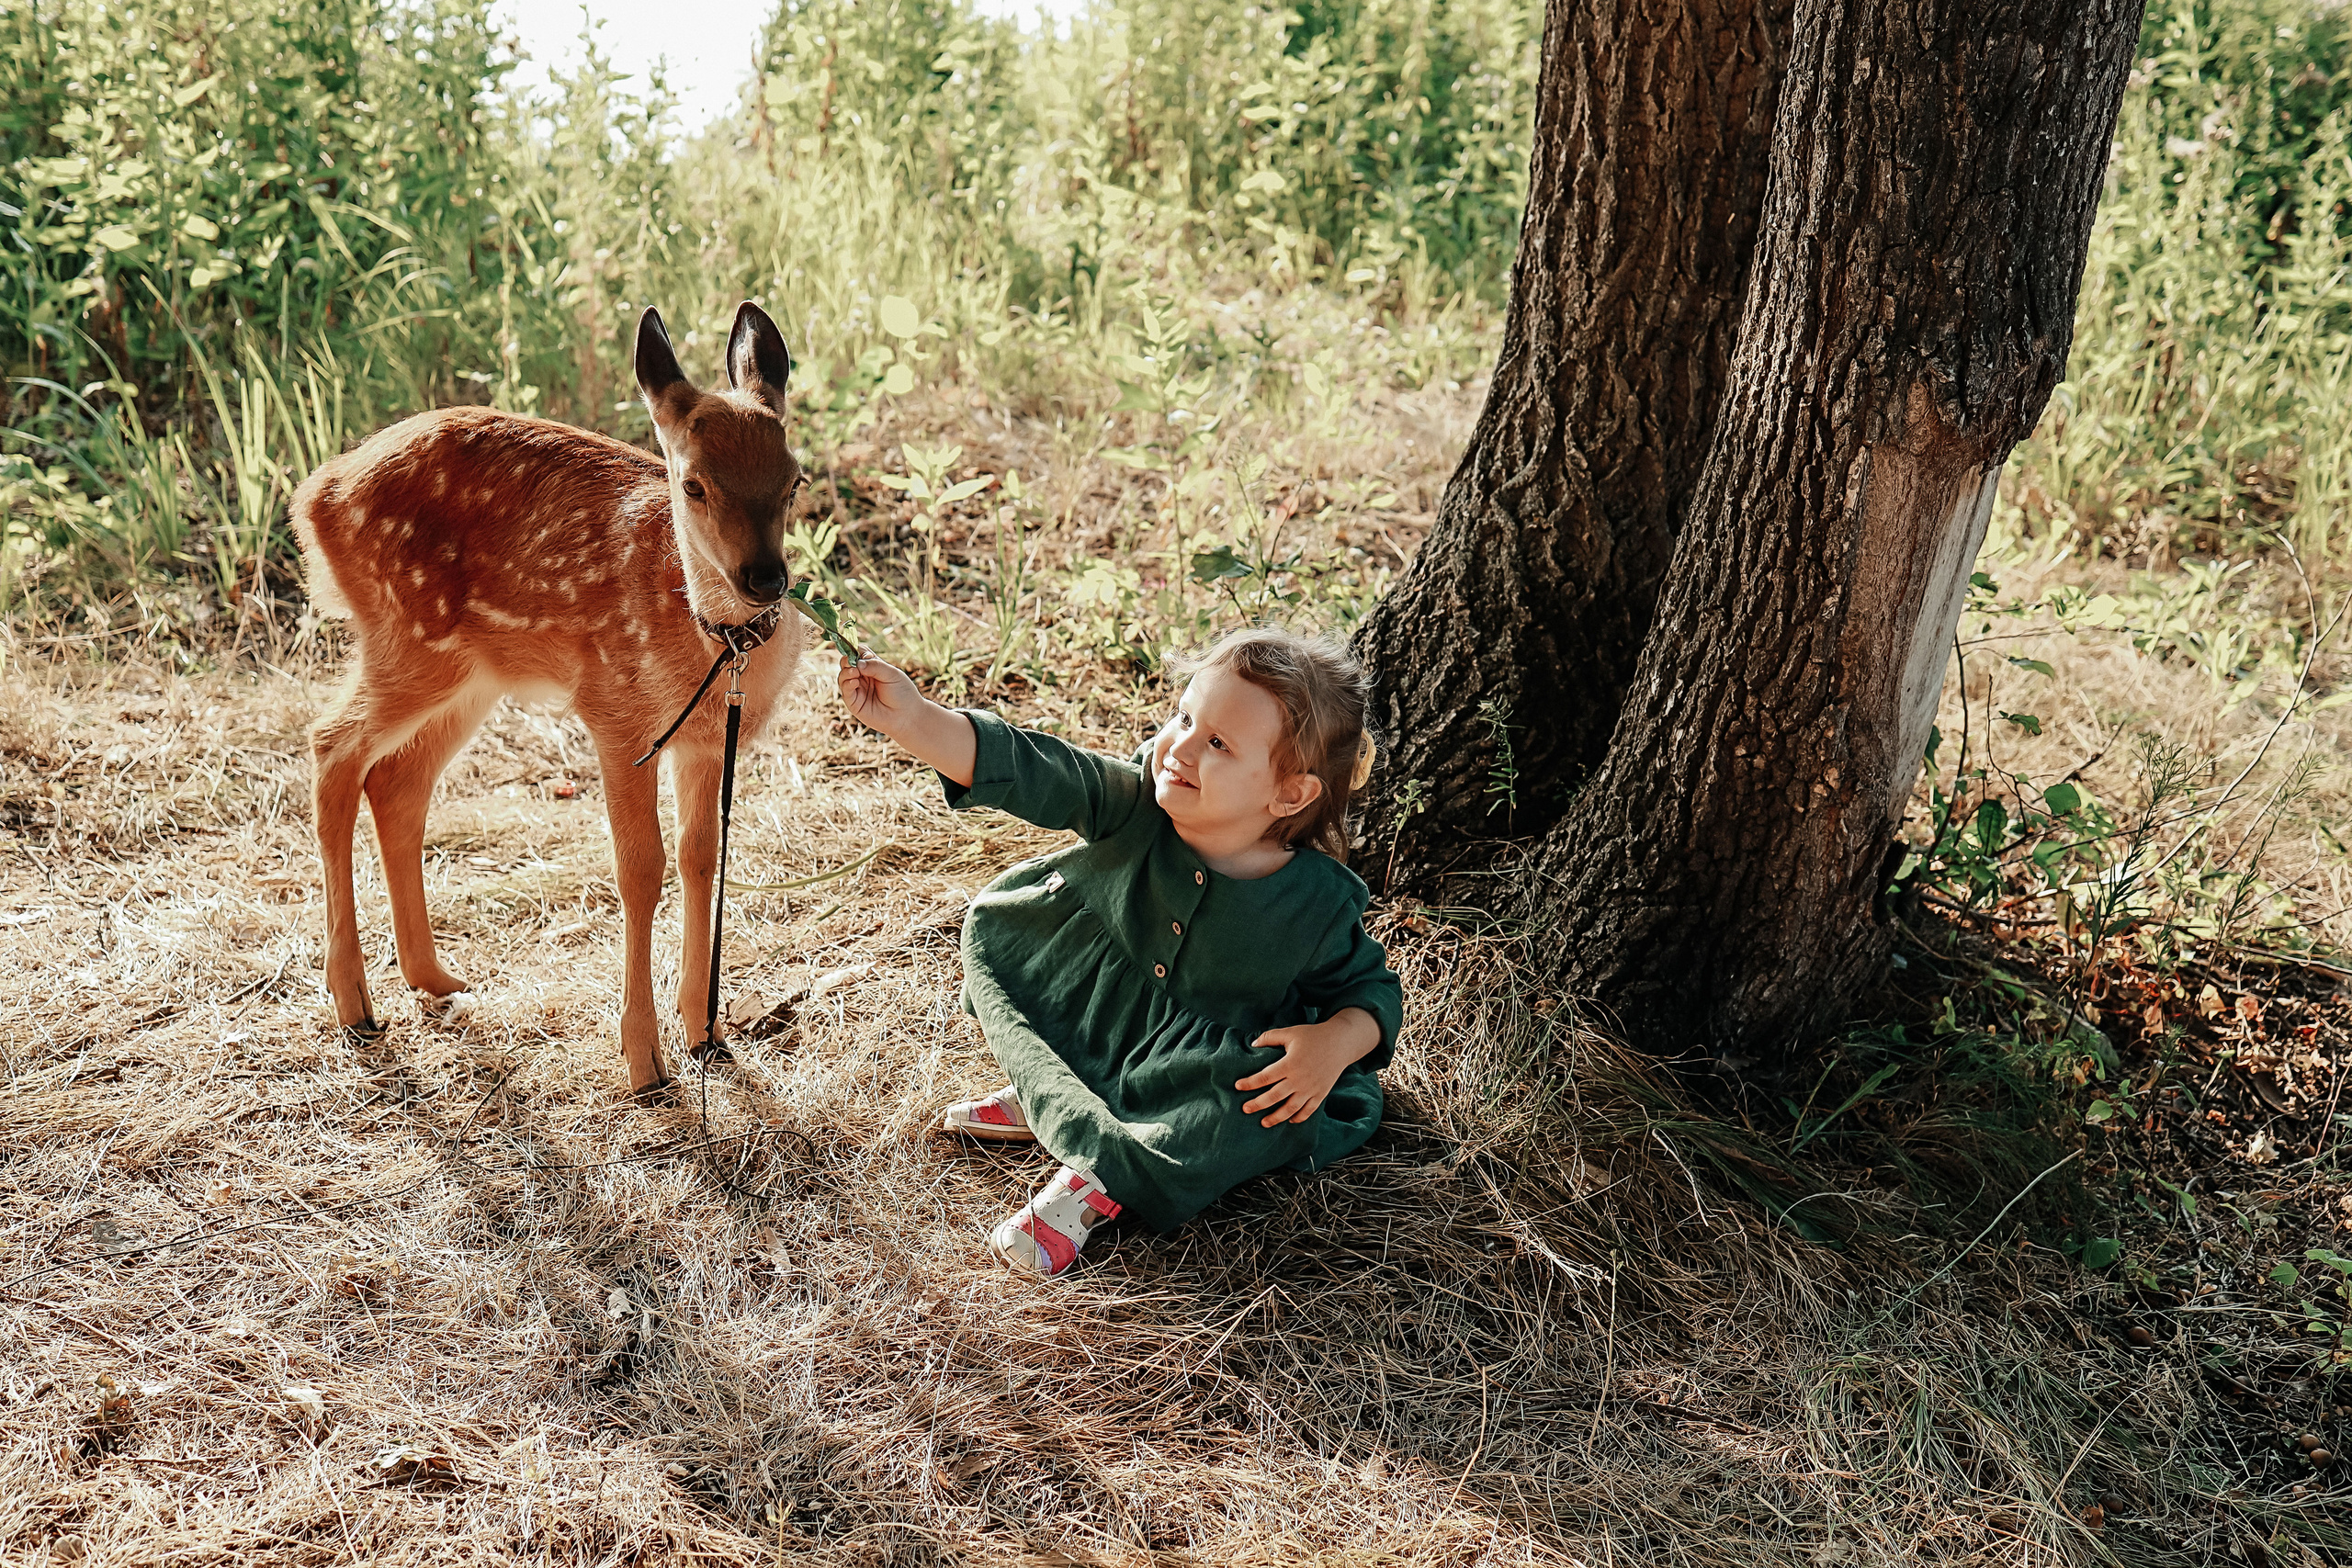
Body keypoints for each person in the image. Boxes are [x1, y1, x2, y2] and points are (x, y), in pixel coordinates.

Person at [837, 626, 1404, 1276]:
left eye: (1217, 743)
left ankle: (1098, 1176)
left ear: (1290, 793)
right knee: (1015, 946)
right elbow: (1038, 769)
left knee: (1252, 1104)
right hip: (1099, 1009)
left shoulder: (1314, 904)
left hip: (1192, 1067)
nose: (1179, 747)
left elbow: (1370, 991)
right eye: (1184, 717)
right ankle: (1052, 1096)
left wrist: (1335, 1043)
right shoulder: (1136, 801)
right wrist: (914, 718)